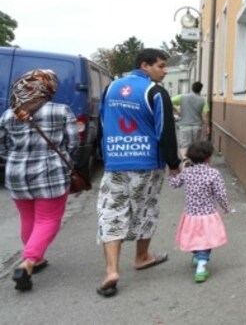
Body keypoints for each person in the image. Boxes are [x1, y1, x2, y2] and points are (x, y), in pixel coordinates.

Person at [96, 48, 181, 297]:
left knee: (112, 212)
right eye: (161, 66)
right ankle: (142, 257)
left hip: (115, 163)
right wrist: (174, 164)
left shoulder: (111, 88)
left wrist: (106, 156)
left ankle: (111, 270)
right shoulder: (155, 92)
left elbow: (102, 124)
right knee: (145, 208)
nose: (164, 71)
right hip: (147, 164)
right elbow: (165, 131)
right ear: (145, 65)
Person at [0, 69, 78, 292]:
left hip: (16, 173)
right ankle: (28, 262)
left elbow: (1, 146)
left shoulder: (8, 114)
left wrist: (16, 158)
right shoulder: (61, 111)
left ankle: (37, 259)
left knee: (28, 218)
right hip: (50, 172)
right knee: (48, 219)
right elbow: (73, 144)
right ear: (48, 87)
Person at [169, 140, 229, 283]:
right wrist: (225, 206)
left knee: (193, 237)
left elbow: (174, 184)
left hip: (191, 215)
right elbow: (220, 193)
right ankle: (201, 265)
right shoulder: (213, 173)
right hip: (208, 214)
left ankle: (197, 255)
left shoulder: (187, 172)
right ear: (209, 157)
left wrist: (172, 172)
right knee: (206, 240)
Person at [171, 81, 210, 159]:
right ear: (200, 90)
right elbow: (205, 116)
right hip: (197, 127)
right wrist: (207, 127)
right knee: (196, 147)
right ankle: (194, 164)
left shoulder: (182, 97)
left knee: (184, 146)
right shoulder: (203, 100)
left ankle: (186, 162)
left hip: (184, 127)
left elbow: (169, 101)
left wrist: (176, 111)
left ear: (192, 88)